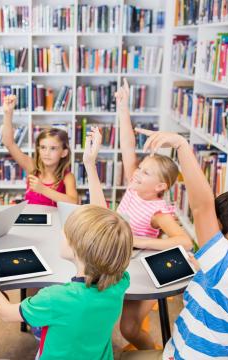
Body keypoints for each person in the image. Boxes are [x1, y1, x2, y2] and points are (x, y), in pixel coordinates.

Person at [135, 129, 228, 359]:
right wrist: (205, 268)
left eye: (215, 226)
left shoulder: (227, 275)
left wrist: (181, 145)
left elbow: (202, 207)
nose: (209, 229)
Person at [85, 79, 191, 350]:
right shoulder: (134, 188)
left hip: (140, 268)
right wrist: (123, 108)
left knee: (129, 329)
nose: (135, 172)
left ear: (160, 187)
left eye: (144, 172)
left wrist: (141, 241)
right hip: (120, 258)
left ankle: (155, 353)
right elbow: (128, 146)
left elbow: (184, 242)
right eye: (139, 167)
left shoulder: (157, 210)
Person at [0, 205, 133, 359]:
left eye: (66, 233)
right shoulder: (120, 282)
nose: (61, 233)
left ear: (79, 249)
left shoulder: (54, 298)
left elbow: (6, 313)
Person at [2, 95, 78, 206]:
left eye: (53, 148)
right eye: (43, 147)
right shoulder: (32, 167)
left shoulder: (67, 177)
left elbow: (74, 201)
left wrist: (43, 189)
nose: (47, 153)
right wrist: (8, 114)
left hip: (55, 222)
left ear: (64, 152)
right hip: (31, 220)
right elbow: (9, 143)